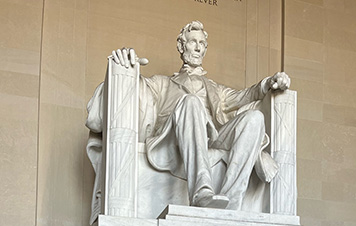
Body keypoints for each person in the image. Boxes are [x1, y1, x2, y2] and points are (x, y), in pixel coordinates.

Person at [86, 20, 290, 212]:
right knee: (191, 101)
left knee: (255, 118)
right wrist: (126, 64)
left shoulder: (215, 89)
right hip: (174, 138)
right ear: (181, 46)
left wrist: (268, 83)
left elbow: (245, 95)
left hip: (213, 137)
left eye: (202, 43)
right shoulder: (162, 83)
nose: (198, 48)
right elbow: (137, 89)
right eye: (193, 42)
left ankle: (231, 199)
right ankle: (201, 191)